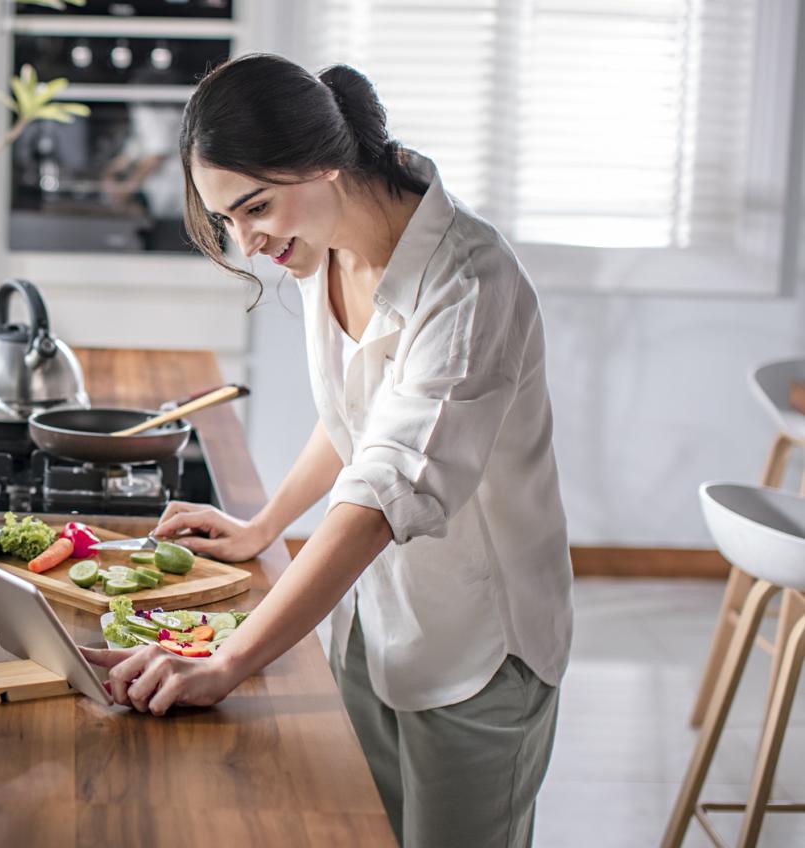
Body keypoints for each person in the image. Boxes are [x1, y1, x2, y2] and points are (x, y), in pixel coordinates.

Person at [82, 54, 573, 848]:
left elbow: (383, 492)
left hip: (480, 645)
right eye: (227, 222)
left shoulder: (470, 286)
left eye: (254, 208)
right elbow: (359, 416)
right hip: (369, 621)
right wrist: (262, 527)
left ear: (323, 163)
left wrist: (228, 662)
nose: (247, 243)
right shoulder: (327, 240)